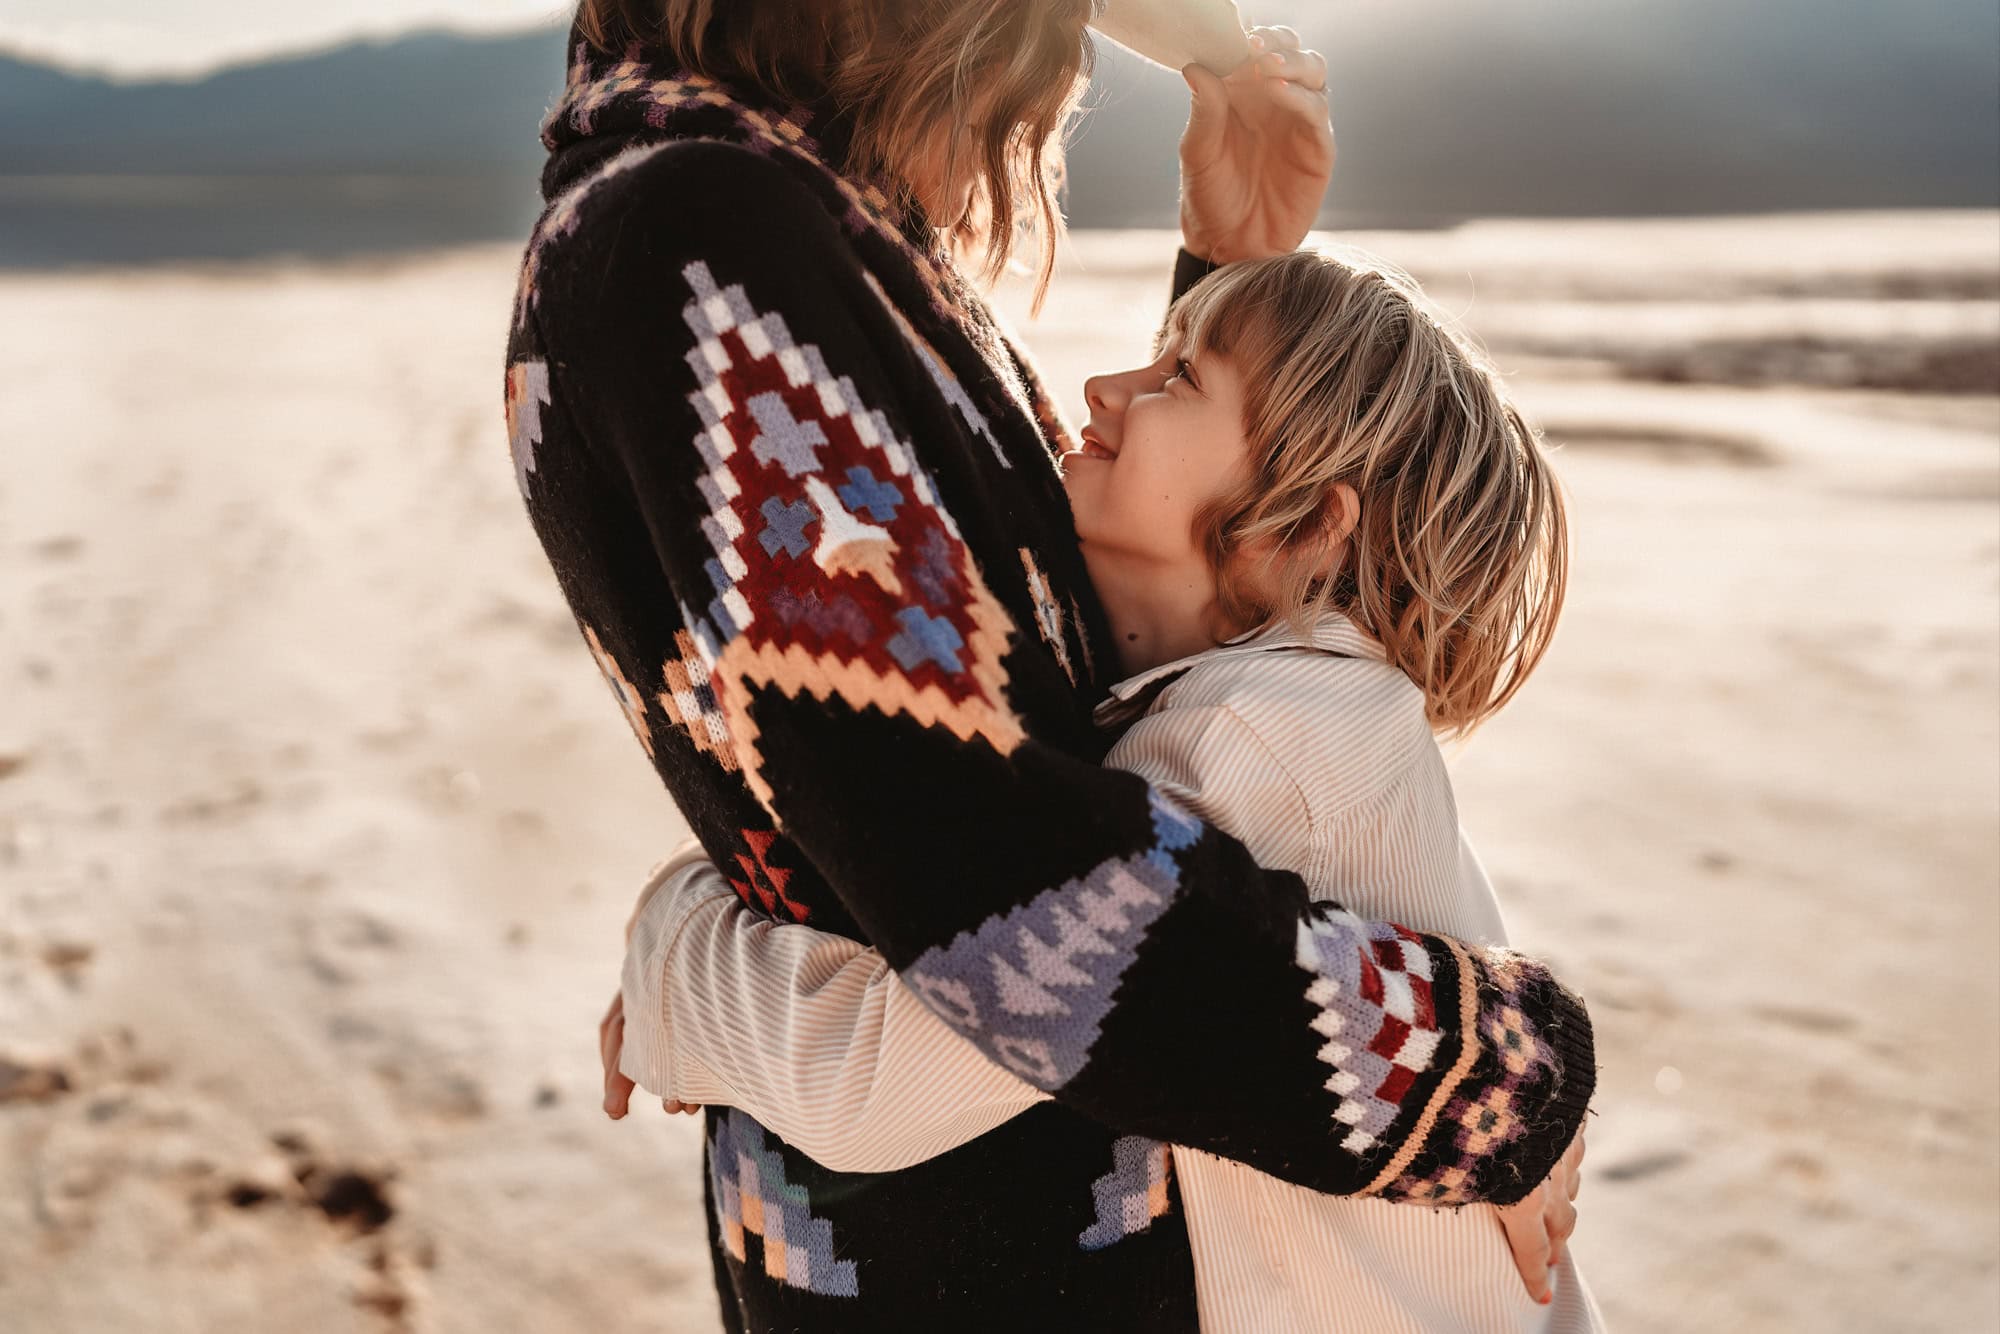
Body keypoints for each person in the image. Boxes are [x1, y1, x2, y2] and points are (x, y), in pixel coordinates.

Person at [505, 1, 1594, 1328]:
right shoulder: (709, 237)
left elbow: (1030, 712)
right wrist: (1495, 1077)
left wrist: (677, 955)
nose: (1038, 109)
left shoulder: (799, 227)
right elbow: (1015, 902)